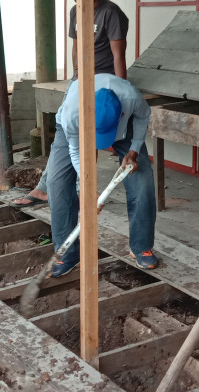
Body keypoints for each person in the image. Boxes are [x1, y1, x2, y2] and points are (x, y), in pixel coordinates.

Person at [13, 0, 130, 208]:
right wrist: (76, 78)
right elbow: (76, 48)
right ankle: (49, 188)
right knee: (64, 132)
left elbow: (119, 56)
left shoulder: (111, 13)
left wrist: (122, 95)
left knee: (87, 136)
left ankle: (81, 192)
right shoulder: (76, 11)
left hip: (103, 85)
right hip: (80, 81)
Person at [47, 73, 158, 277]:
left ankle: (141, 246)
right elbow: (75, 150)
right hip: (72, 132)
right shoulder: (72, 113)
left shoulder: (131, 97)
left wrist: (134, 149)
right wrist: (88, 190)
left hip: (126, 130)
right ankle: (68, 253)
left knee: (143, 183)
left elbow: (143, 116)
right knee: (57, 183)